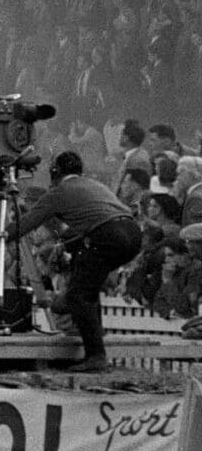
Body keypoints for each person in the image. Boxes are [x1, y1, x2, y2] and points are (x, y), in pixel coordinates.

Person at [16, 150, 142, 371]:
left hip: (107, 236)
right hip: (132, 234)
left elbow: (25, 224)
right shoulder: (93, 185)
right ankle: (86, 331)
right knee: (86, 288)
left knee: (78, 295)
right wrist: (65, 243)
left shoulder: (59, 192)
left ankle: (96, 356)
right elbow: (91, 224)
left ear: (54, 172)